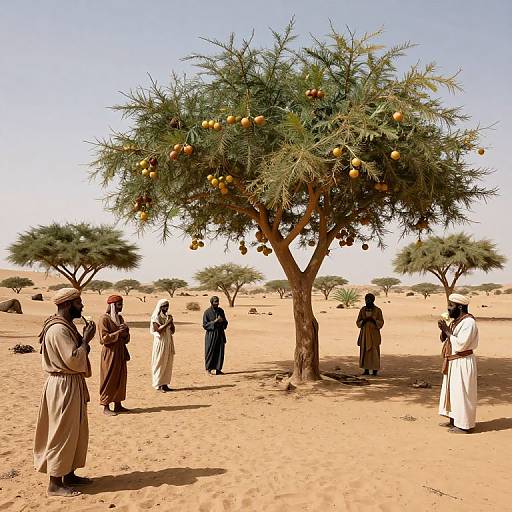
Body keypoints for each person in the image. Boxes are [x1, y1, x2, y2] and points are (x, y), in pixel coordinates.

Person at [34, 288, 96, 497]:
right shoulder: (58, 330)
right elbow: (73, 359)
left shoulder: (66, 326)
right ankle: (55, 484)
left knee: (74, 431)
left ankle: (68, 473)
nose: (82, 306)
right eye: (79, 303)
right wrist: (87, 339)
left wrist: (85, 339)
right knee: (61, 433)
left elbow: (77, 354)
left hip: (71, 384)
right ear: (68, 304)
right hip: (63, 386)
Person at [438, 293, 478, 434]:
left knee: (462, 394)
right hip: (453, 362)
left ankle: (464, 426)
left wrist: (448, 332)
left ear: (460, 307)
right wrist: (444, 331)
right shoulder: (457, 321)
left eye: (451, 306)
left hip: (463, 362)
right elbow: (447, 339)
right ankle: (454, 419)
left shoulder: (469, 323)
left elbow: (461, 344)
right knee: (453, 392)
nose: (448, 309)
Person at [98, 295, 130, 416]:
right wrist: (118, 332)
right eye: (119, 304)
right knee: (108, 379)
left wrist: (126, 331)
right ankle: (106, 406)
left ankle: (118, 404)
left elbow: (126, 339)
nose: (121, 307)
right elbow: (103, 339)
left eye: (122, 304)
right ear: (112, 305)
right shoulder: (104, 319)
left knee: (120, 378)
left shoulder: (120, 318)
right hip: (110, 354)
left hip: (120, 352)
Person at [150, 299, 175, 392]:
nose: (166, 308)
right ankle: (159, 384)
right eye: (164, 306)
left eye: (167, 306)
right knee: (160, 362)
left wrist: (171, 322)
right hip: (160, 342)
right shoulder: (155, 317)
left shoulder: (168, 316)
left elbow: (173, 331)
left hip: (168, 341)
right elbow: (158, 330)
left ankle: (165, 384)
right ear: (160, 307)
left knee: (168, 362)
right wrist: (167, 323)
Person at [356, 293, 384, 376]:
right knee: (364, 351)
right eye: (366, 300)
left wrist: (373, 320)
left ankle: (375, 371)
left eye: (369, 300)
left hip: (374, 334)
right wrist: (364, 320)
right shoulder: (362, 310)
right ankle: (366, 370)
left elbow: (381, 322)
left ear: (373, 300)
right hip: (364, 334)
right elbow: (358, 322)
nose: (367, 301)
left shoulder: (378, 310)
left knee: (374, 351)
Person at [203, 296, 228, 375]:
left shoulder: (221, 311)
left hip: (220, 333)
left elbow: (226, 322)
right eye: (215, 302)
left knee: (220, 352)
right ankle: (208, 369)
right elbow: (205, 325)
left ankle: (218, 369)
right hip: (211, 335)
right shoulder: (207, 312)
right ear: (211, 302)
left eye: (217, 302)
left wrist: (222, 321)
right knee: (210, 351)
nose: (216, 303)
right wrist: (215, 321)